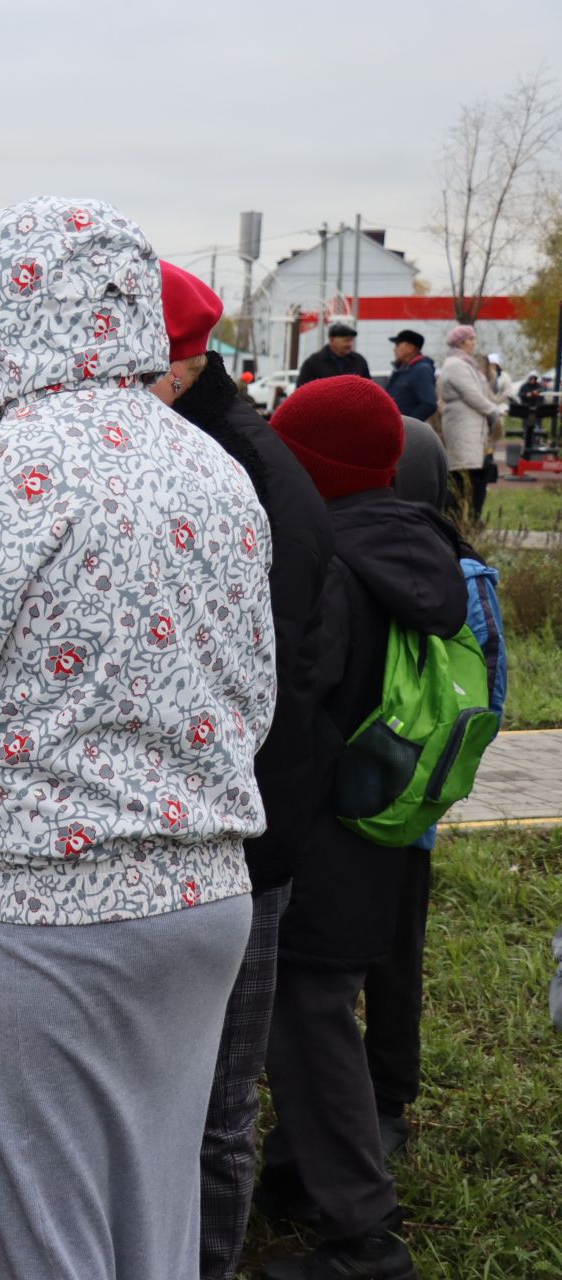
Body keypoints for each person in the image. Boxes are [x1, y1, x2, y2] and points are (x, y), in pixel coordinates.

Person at [0, 198, 275, 1280]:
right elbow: (251, 694)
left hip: (55, 910)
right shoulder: (213, 467)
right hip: (208, 898)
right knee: (152, 1214)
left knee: (49, 1232)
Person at [258, 375, 466, 1280]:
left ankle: (363, 1235)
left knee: (308, 1011)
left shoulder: (333, 561)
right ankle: (304, 1172)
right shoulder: (418, 540)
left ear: (317, 469)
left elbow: (304, 705)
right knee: (323, 1006)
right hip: (385, 821)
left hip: (324, 827)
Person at [156, 264, 337, 1280]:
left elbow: (252, 673)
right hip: (248, 813)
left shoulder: (228, 468)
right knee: (200, 1095)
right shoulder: (222, 445)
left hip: (245, 830)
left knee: (217, 1103)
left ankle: (205, 1261)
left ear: (177, 365)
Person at [367, 418, 506, 1164]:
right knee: (394, 960)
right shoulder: (467, 570)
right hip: (413, 813)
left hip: (362, 807)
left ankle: (383, 1100)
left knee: (367, 964)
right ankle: (384, 1103)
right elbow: (491, 706)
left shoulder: (433, 571)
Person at [437, 323, 502, 522]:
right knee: (463, 475)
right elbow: (471, 394)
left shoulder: (466, 363)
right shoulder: (456, 365)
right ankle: (460, 519)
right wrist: (492, 411)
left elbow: (483, 392)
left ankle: (467, 519)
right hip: (463, 427)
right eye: (471, 339)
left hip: (472, 427)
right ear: (462, 342)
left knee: (471, 475)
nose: (474, 343)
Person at [297, 321, 371, 386]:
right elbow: (301, 390)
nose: (350, 344)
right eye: (346, 340)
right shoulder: (313, 362)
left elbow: (369, 387)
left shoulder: (359, 361)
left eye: (351, 340)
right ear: (331, 340)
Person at [386, 328, 437, 421]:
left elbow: (429, 403)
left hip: (407, 430)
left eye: (397, 345)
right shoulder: (402, 369)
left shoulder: (422, 370)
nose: (394, 349)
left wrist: (409, 424)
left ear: (410, 348)